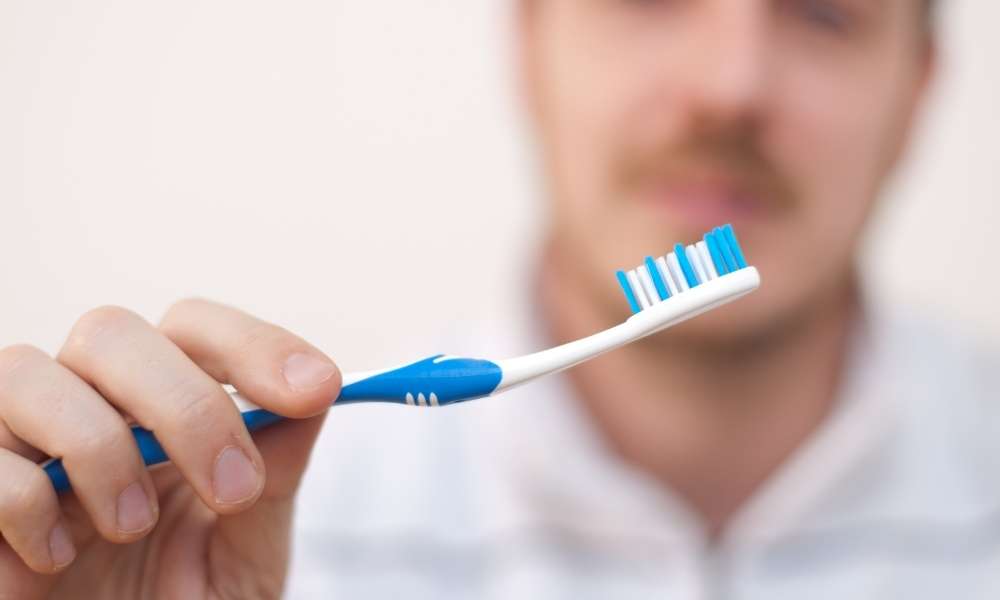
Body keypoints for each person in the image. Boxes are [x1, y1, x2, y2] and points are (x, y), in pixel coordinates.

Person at [2, 0, 996, 598]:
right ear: (528, 45)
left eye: (825, 12)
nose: (729, 83)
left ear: (916, 95)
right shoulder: (248, 528)